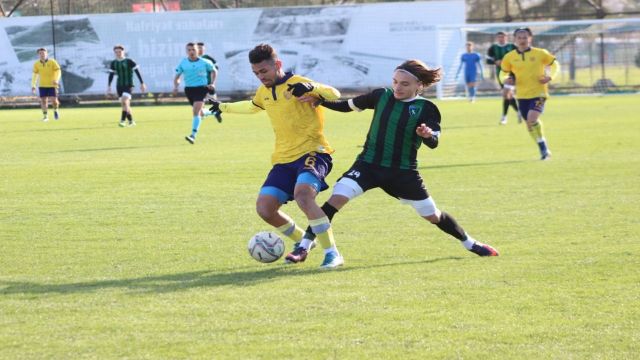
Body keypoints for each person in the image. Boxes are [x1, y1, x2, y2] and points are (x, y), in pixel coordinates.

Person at [286, 59, 499, 264]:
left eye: (405, 84)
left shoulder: (426, 108)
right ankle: (303, 247)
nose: (398, 87)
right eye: (395, 81)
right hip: (368, 165)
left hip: (402, 173)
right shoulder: (381, 95)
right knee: (335, 200)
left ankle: (470, 243)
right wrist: (321, 100)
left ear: (419, 85)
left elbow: (434, 141)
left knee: (432, 215)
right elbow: (347, 106)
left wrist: (427, 135)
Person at [207, 43, 344, 268]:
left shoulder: (298, 83)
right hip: (283, 160)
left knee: (303, 195)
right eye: (256, 73)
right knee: (265, 209)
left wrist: (311, 86)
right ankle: (303, 241)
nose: (261, 77)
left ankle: (332, 253)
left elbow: (334, 93)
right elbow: (252, 106)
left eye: (264, 71)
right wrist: (223, 107)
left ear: (277, 65)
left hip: (314, 152)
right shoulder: (264, 92)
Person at [500, 28, 560, 160]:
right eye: (519, 38)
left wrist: (550, 77)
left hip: (539, 93)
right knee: (529, 125)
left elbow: (555, 64)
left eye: (525, 37)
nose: (522, 40)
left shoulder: (540, 53)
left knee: (532, 118)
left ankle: (544, 150)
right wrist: (505, 81)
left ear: (530, 38)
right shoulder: (509, 57)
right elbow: (503, 72)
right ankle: (542, 145)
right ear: (515, 39)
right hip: (521, 95)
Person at [173, 42, 216, 144]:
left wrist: (213, 83)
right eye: (189, 50)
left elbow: (214, 71)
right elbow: (177, 76)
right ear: (186, 51)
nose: (191, 52)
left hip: (201, 89)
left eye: (193, 50)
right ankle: (214, 112)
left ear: (198, 51)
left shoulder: (205, 62)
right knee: (200, 112)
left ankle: (193, 135)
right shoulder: (183, 62)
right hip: (189, 90)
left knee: (195, 112)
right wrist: (176, 86)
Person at [487, 32, 522, 125]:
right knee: (508, 95)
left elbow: (520, 58)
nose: (501, 39)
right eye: (499, 37)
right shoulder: (493, 48)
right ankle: (519, 112)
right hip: (501, 74)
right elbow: (488, 60)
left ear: (506, 37)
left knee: (506, 94)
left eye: (502, 37)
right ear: (497, 38)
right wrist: (495, 61)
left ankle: (504, 117)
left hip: (512, 74)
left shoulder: (512, 47)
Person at [107, 45, 146, 127]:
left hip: (129, 85)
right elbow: (111, 75)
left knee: (125, 102)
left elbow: (137, 72)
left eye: (119, 51)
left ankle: (122, 121)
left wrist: (142, 83)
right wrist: (109, 86)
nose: (118, 53)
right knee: (125, 105)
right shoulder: (114, 63)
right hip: (119, 86)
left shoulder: (129, 61)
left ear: (123, 51)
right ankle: (131, 122)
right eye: (116, 52)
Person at [31, 48, 61, 122]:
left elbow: (58, 71)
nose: (42, 54)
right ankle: (45, 116)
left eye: (44, 53)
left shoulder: (52, 62)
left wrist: (56, 80)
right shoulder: (36, 64)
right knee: (43, 101)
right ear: (38, 54)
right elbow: (35, 75)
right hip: (42, 85)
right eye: (40, 53)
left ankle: (55, 110)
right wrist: (33, 85)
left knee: (54, 101)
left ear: (46, 53)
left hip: (52, 85)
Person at [196, 41, 222, 122]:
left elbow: (216, 68)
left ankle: (216, 111)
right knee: (199, 104)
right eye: (198, 48)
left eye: (201, 48)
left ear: (204, 49)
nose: (200, 49)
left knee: (214, 102)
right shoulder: (194, 59)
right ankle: (205, 115)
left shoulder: (208, 58)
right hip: (198, 85)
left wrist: (213, 82)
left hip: (209, 84)